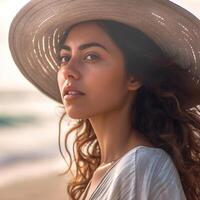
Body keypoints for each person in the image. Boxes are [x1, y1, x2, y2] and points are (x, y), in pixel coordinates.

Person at [9, 0, 200, 200]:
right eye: (65, 57)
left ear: (134, 77)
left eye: (91, 56)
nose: (68, 71)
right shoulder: (107, 171)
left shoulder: (141, 166)